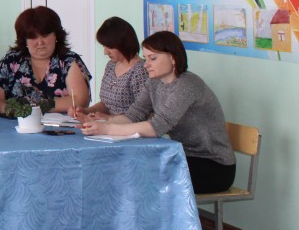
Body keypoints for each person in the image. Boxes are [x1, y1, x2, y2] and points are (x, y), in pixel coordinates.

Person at [80, 31, 235, 194]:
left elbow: (156, 127)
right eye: (145, 58)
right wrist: (98, 124)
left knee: (142, 175)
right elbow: (133, 115)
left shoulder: (187, 85)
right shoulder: (154, 82)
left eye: (153, 58)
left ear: (173, 58)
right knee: (130, 168)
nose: (146, 65)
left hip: (214, 165)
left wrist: (108, 129)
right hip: (181, 155)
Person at [0, 6, 91, 114]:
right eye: (33, 37)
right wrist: (13, 111)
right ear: (24, 40)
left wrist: (37, 108)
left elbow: (80, 100)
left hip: (61, 124)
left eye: (45, 35)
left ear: (56, 35)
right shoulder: (11, 60)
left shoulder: (69, 60)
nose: (40, 42)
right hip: (14, 123)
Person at [77, 16, 148, 116]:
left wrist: (109, 120)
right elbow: (106, 104)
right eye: (104, 46)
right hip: (108, 124)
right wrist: (85, 111)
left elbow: (142, 113)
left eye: (109, 47)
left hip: (126, 125)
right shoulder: (111, 65)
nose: (105, 52)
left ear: (123, 43)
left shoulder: (141, 71)